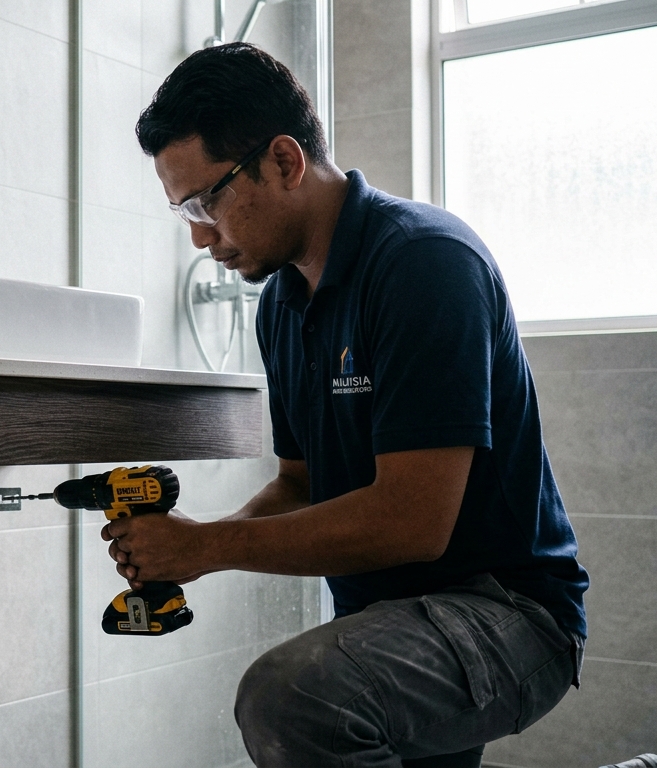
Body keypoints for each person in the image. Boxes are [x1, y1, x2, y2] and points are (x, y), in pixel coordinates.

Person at [107, 43, 589, 768]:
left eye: (208, 201)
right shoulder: (283, 305)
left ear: (284, 161)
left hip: (507, 614)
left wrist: (207, 547)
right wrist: (198, 542)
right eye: (185, 213)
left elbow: (413, 523)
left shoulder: (424, 262)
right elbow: (299, 485)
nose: (202, 236)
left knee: (290, 697)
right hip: (388, 621)